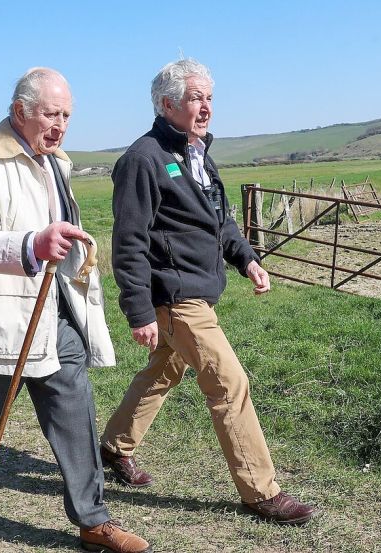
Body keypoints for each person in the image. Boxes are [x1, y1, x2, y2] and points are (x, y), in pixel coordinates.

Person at [99, 59, 317, 526]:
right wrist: (138, 310)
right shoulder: (143, 159)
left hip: (199, 287)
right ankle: (261, 492)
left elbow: (221, 221)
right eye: (196, 98)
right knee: (229, 382)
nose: (206, 108)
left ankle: (114, 447)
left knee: (164, 370)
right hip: (176, 295)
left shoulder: (197, 152)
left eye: (210, 98)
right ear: (167, 103)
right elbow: (130, 240)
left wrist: (248, 259)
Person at [0, 67, 152, 553]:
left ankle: (93, 521)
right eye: (50, 114)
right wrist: (33, 243)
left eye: (66, 115)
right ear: (20, 111)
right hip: (0, 319)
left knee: (75, 414)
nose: (60, 125)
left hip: (54, 311)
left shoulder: (54, 159)